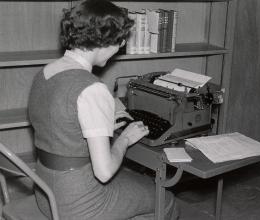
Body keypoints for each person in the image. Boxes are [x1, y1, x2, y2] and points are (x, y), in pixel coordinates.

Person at [28, 0, 179, 219]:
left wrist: (103, 119)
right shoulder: (92, 89)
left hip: (46, 192)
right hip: (79, 205)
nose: (120, 46)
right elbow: (104, 172)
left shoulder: (45, 73)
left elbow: (61, 124)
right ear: (103, 40)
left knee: (134, 182)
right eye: (119, 40)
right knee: (164, 198)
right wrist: (125, 139)